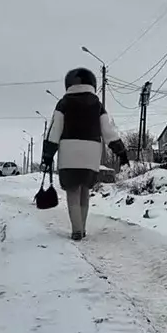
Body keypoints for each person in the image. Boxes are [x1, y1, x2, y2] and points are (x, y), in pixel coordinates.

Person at [40, 67, 129, 240]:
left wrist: (48, 154)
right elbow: (109, 131)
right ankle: (83, 227)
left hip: (69, 151)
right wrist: (121, 151)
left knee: (72, 191)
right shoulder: (97, 105)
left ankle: (77, 230)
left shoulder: (63, 103)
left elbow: (54, 131)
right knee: (84, 191)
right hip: (91, 152)